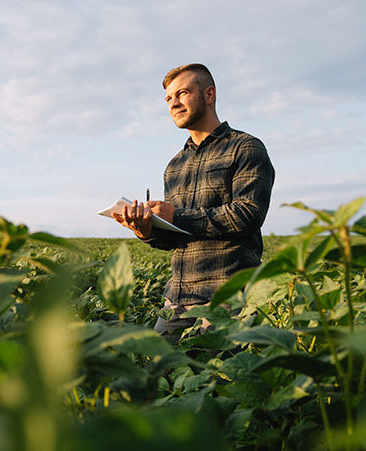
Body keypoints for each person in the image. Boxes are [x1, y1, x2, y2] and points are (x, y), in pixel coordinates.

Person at [112, 63, 275, 339]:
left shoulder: (245, 147)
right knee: (160, 374)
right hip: (177, 300)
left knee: (223, 378)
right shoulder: (174, 165)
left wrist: (177, 216)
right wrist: (147, 230)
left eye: (182, 93)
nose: (173, 103)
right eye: (168, 99)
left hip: (229, 297)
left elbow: (248, 214)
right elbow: (176, 238)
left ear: (209, 95)